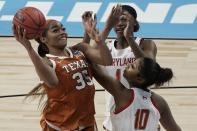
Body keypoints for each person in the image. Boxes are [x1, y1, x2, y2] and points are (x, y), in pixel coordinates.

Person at [13, 12, 112, 131]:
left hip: (87, 122)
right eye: (56, 30)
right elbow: (53, 82)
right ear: (43, 38)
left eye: (63, 28)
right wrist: (29, 48)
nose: (62, 32)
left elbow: (107, 60)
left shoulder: (80, 49)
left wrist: (98, 39)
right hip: (61, 126)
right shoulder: (47, 62)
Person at [93, 5, 157, 130]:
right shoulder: (107, 47)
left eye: (124, 19)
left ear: (135, 22)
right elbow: (89, 56)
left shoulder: (145, 43)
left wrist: (130, 38)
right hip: (114, 109)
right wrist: (106, 26)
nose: (120, 23)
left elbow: (149, 67)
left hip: (140, 110)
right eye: (116, 20)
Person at [92, 57, 182, 131]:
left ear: (140, 79)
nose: (127, 65)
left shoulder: (123, 94)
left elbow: (95, 68)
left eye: (132, 66)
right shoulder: (160, 102)